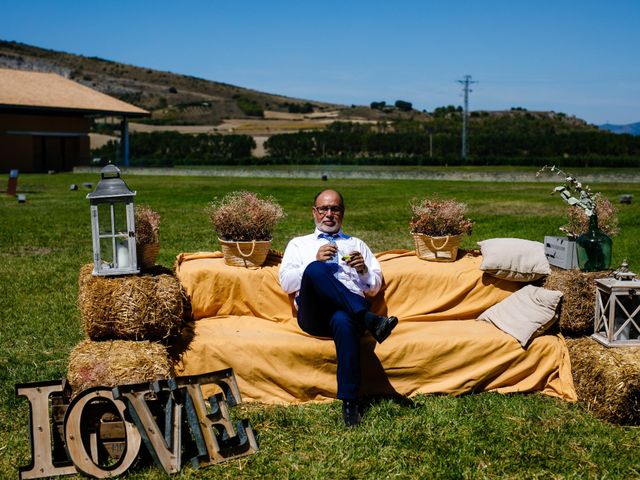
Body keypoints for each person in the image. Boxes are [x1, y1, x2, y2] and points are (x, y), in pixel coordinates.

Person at [279, 189, 398, 427]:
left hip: (344, 315)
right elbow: (285, 283)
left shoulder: (356, 244)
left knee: (344, 323)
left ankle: (350, 403)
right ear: (314, 213)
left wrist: (363, 270)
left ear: (342, 213)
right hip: (313, 314)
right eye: (323, 209)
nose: (329, 214)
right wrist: (313, 261)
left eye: (335, 209)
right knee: (316, 270)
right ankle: (369, 320)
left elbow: (373, 288)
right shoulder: (299, 244)